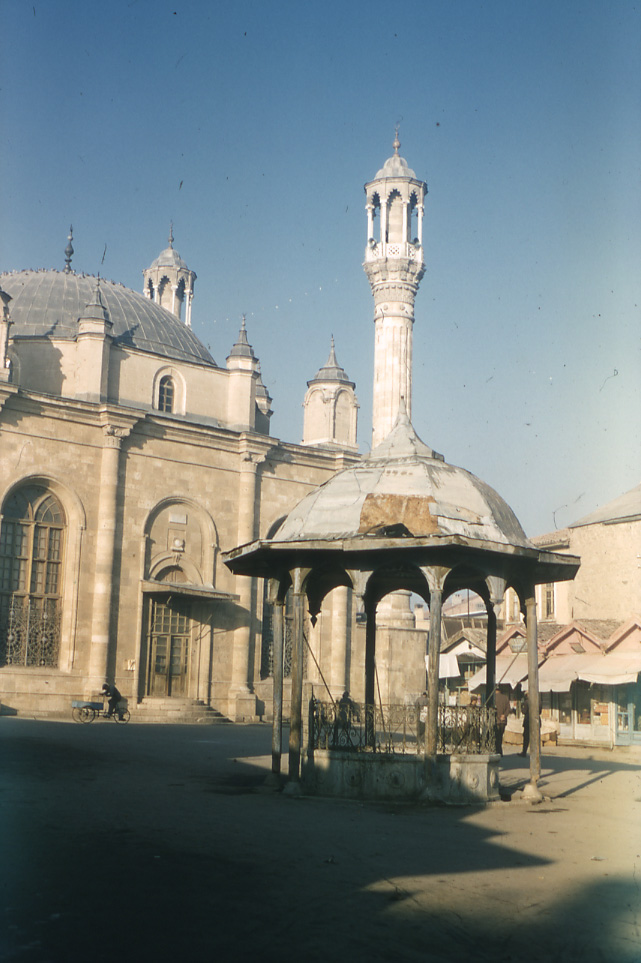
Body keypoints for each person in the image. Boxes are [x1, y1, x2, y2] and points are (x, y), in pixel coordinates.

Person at [494, 686, 512, 755]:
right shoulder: (505, 698)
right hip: (503, 721)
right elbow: (508, 708)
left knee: (495, 736)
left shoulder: (494, 698)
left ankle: (497, 751)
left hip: (496, 720)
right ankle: (500, 751)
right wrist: (504, 715)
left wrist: (498, 716)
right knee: (500, 736)